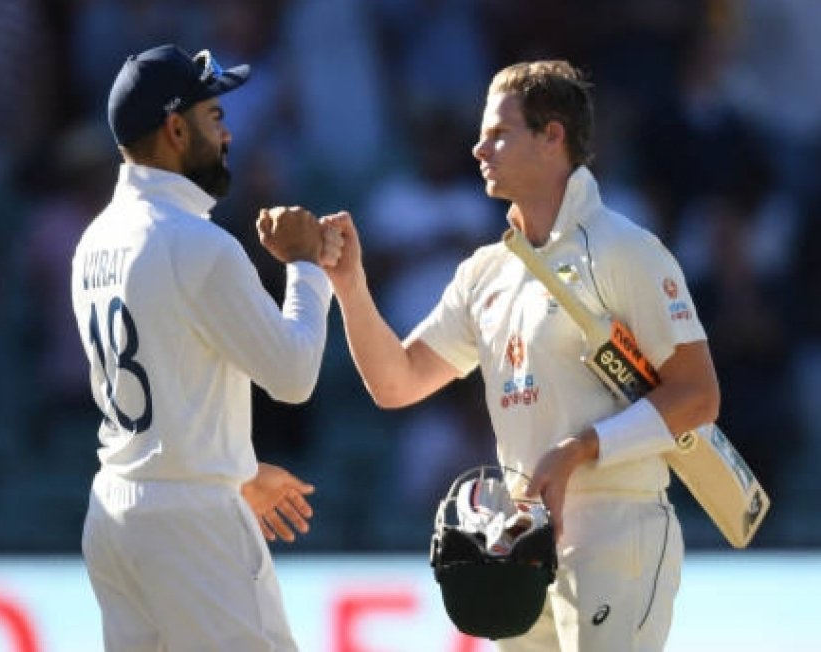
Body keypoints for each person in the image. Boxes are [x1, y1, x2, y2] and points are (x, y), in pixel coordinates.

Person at [322, 60, 720, 651]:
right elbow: (396, 382)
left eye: (499, 133)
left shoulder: (626, 250)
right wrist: (348, 282)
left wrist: (579, 450)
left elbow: (698, 395)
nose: (479, 147)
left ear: (553, 135)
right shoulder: (485, 272)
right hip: (523, 540)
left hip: (617, 524)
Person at [71, 44, 341, 651]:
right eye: (214, 117)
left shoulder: (94, 239)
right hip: (190, 527)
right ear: (174, 128)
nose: (227, 134)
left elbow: (172, 380)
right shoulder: (196, 242)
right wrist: (307, 264)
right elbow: (294, 374)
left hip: (117, 510)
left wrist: (235, 469)